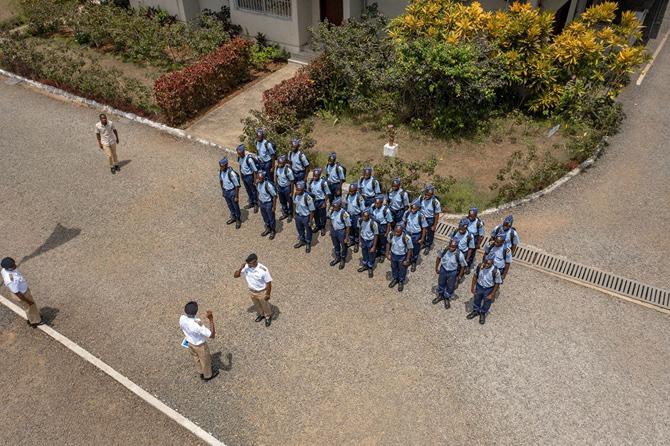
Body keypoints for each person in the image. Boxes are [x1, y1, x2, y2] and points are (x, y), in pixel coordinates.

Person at [179, 301, 218, 381]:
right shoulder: (196, 323)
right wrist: (211, 319)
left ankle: (200, 371)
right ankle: (208, 375)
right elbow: (212, 335)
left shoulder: (182, 318)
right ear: (196, 311)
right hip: (200, 345)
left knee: (196, 357)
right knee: (205, 360)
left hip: (190, 342)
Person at [234, 253, 274, 327]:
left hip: (261, 292)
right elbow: (235, 276)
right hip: (251, 291)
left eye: (250, 263)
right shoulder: (246, 266)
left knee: (265, 305)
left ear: (255, 261)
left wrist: (268, 294)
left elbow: (269, 282)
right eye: (248, 263)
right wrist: (240, 268)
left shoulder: (263, 270)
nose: (248, 264)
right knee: (257, 305)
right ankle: (261, 314)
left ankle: (268, 316)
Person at [1, 257, 42, 327]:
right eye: (13, 265)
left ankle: (36, 316)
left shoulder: (5, 270)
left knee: (32, 306)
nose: (15, 265)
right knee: (29, 307)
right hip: (22, 295)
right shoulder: (11, 280)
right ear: (8, 268)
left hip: (23, 291)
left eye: (14, 263)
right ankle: (34, 321)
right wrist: (28, 301)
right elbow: (17, 293)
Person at [466, 255, 502, 325]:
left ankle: (483, 313)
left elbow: (497, 283)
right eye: (485, 262)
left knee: (487, 302)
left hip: (488, 289)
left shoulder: (495, 271)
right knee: (477, 299)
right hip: (479, 287)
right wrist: (472, 287)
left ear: (492, 263)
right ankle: (476, 311)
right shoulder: (480, 267)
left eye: (488, 263)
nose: (486, 265)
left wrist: (492, 294)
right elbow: (475, 276)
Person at [433, 239, 466, 309]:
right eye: (450, 246)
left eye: (453, 247)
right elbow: (438, 258)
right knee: (441, 282)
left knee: (451, 286)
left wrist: (459, 277)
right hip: (443, 269)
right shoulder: (444, 250)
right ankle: (440, 295)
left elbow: (463, 266)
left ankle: (447, 297)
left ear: (456, 247)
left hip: (452, 272)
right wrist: (436, 268)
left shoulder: (459, 255)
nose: (451, 248)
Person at [386, 224, 412, 292]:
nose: (397, 233)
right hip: (393, 254)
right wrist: (387, 253)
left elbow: (410, 249)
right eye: (396, 231)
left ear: (402, 231)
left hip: (402, 256)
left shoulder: (406, 238)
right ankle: (395, 279)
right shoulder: (391, 234)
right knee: (393, 267)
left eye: (398, 232)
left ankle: (401, 281)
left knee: (402, 269)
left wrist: (407, 259)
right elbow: (388, 243)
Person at [402, 202, 427, 272]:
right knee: (407, 248)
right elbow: (404, 222)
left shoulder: (421, 216)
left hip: (416, 235)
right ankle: (408, 260)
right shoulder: (407, 213)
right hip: (407, 233)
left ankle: (413, 262)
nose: (413, 210)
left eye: (414, 208)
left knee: (415, 249)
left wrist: (422, 238)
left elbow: (424, 228)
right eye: (412, 208)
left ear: (418, 209)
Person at [418, 185, 441, 255]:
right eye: (426, 194)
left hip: (430, 219)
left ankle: (428, 245)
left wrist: (435, 225)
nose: (427, 196)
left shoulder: (435, 202)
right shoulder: (421, 198)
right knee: (422, 231)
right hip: (422, 218)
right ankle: (423, 242)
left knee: (430, 233)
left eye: (429, 195)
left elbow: (437, 214)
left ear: (432, 194)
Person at [219, 158, 241, 229]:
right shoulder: (221, 171)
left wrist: (236, 196)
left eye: (222, 166)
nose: (221, 167)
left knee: (235, 206)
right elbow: (221, 181)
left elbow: (237, 185)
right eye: (220, 166)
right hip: (226, 191)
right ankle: (233, 216)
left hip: (232, 191)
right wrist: (223, 190)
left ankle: (238, 219)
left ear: (226, 165)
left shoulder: (231, 173)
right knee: (230, 205)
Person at [328, 198, 351, 270]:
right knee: (336, 245)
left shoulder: (344, 214)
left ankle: (343, 259)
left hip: (341, 232)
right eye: (333, 206)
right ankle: (337, 258)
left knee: (344, 246)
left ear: (340, 206)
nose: (333, 207)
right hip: (334, 231)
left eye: (335, 206)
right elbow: (330, 219)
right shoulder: (332, 211)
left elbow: (348, 226)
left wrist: (347, 237)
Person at [292, 181, 315, 253]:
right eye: (297, 189)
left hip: (306, 217)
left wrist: (311, 221)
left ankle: (308, 242)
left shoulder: (307, 198)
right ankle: (302, 240)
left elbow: (312, 210)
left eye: (299, 190)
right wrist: (294, 213)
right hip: (298, 215)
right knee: (299, 229)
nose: (297, 191)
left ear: (303, 190)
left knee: (308, 230)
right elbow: (294, 204)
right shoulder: (296, 194)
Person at [307, 167, 330, 236]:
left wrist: (325, 202)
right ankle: (318, 225)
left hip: (321, 201)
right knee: (315, 214)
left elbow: (327, 193)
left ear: (319, 176)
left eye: (315, 176)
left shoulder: (323, 183)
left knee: (322, 215)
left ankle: (323, 227)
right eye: (313, 175)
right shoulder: (311, 181)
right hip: (314, 201)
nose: (314, 177)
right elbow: (309, 190)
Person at [369, 195, 393, 263]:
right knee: (377, 240)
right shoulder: (373, 207)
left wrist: (387, 232)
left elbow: (389, 222)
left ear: (381, 203)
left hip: (383, 227)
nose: (376, 204)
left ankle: (383, 254)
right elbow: (371, 215)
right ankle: (378, 252)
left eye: (377, 203)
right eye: (375, 203)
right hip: (375, 226)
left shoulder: (386, 210)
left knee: (383, 241)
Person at [236, 144, 258, 213]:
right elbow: (240, 166)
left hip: (250, 176)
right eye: (238, 153)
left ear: (243, 152)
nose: (239, 154)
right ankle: (251, 202)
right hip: (244, 176)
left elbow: (255, 170)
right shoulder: (239, 158)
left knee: (253, 191)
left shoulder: (249, 160)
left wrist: (254, 180)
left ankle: (256, 204)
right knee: (248, 190)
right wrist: (241, 175)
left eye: (240, 153)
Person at [256, 171, 277, 240]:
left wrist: (274, 207)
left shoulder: (268, 185)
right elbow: (258, 192)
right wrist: (259, 201)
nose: (258, 180)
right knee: (265, 217)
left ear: (263, 178)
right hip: (262, 203)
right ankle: (268, 228)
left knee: (271, 218)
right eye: (258, 178)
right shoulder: (258, 183)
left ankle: (273, 230)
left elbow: (274, 196)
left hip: (268, 203)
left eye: (260, 179)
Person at [358, 210, 378, 278]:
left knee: (371, 254)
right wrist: (360, 241)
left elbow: (376, 235)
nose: (364, 217)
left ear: (369, 216)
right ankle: (365, 265)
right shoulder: (360, 221)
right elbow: (360, 231)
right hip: (363, 240)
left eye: (365, 216)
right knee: (364, 253)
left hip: (370, 241)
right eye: (363, 216)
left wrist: (374, 246)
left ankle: (370, 267)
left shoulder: (373, 224)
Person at [345, 183, 365, 253]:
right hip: (350, 215)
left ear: (356, 190)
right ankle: (351, 240)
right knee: (350, 228)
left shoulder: (359, 198)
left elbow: (363, 209)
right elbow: (347, 204)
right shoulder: (348, 195)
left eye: (352, 191)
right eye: (349, 191)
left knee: (356, 230)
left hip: (357, 216)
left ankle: (356, 242)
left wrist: (361, 219)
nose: (350, 192)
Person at [274, 155, 294, 222]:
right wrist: (276, 185)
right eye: (279, 163)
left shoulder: (288, 170)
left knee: (289, 202)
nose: (279, 164)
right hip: (280, 187)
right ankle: (285, 213)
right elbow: (276, 176)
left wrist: (291, 191)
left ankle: (290, 214)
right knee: (282, 201)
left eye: (281, 163)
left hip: (287, 187)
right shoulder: (277, 168)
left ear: (284, 163)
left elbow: (292, 181)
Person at [465, 208, 485, 273]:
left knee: (471, 253)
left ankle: (468, 265)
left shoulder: (479, 223)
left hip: (474, 238)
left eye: (472, 216)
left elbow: (481, 235)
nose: (470, 217)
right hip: (466, 236)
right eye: (469, 215)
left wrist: (478, 244)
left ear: (475, 215)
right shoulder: (466, 219)